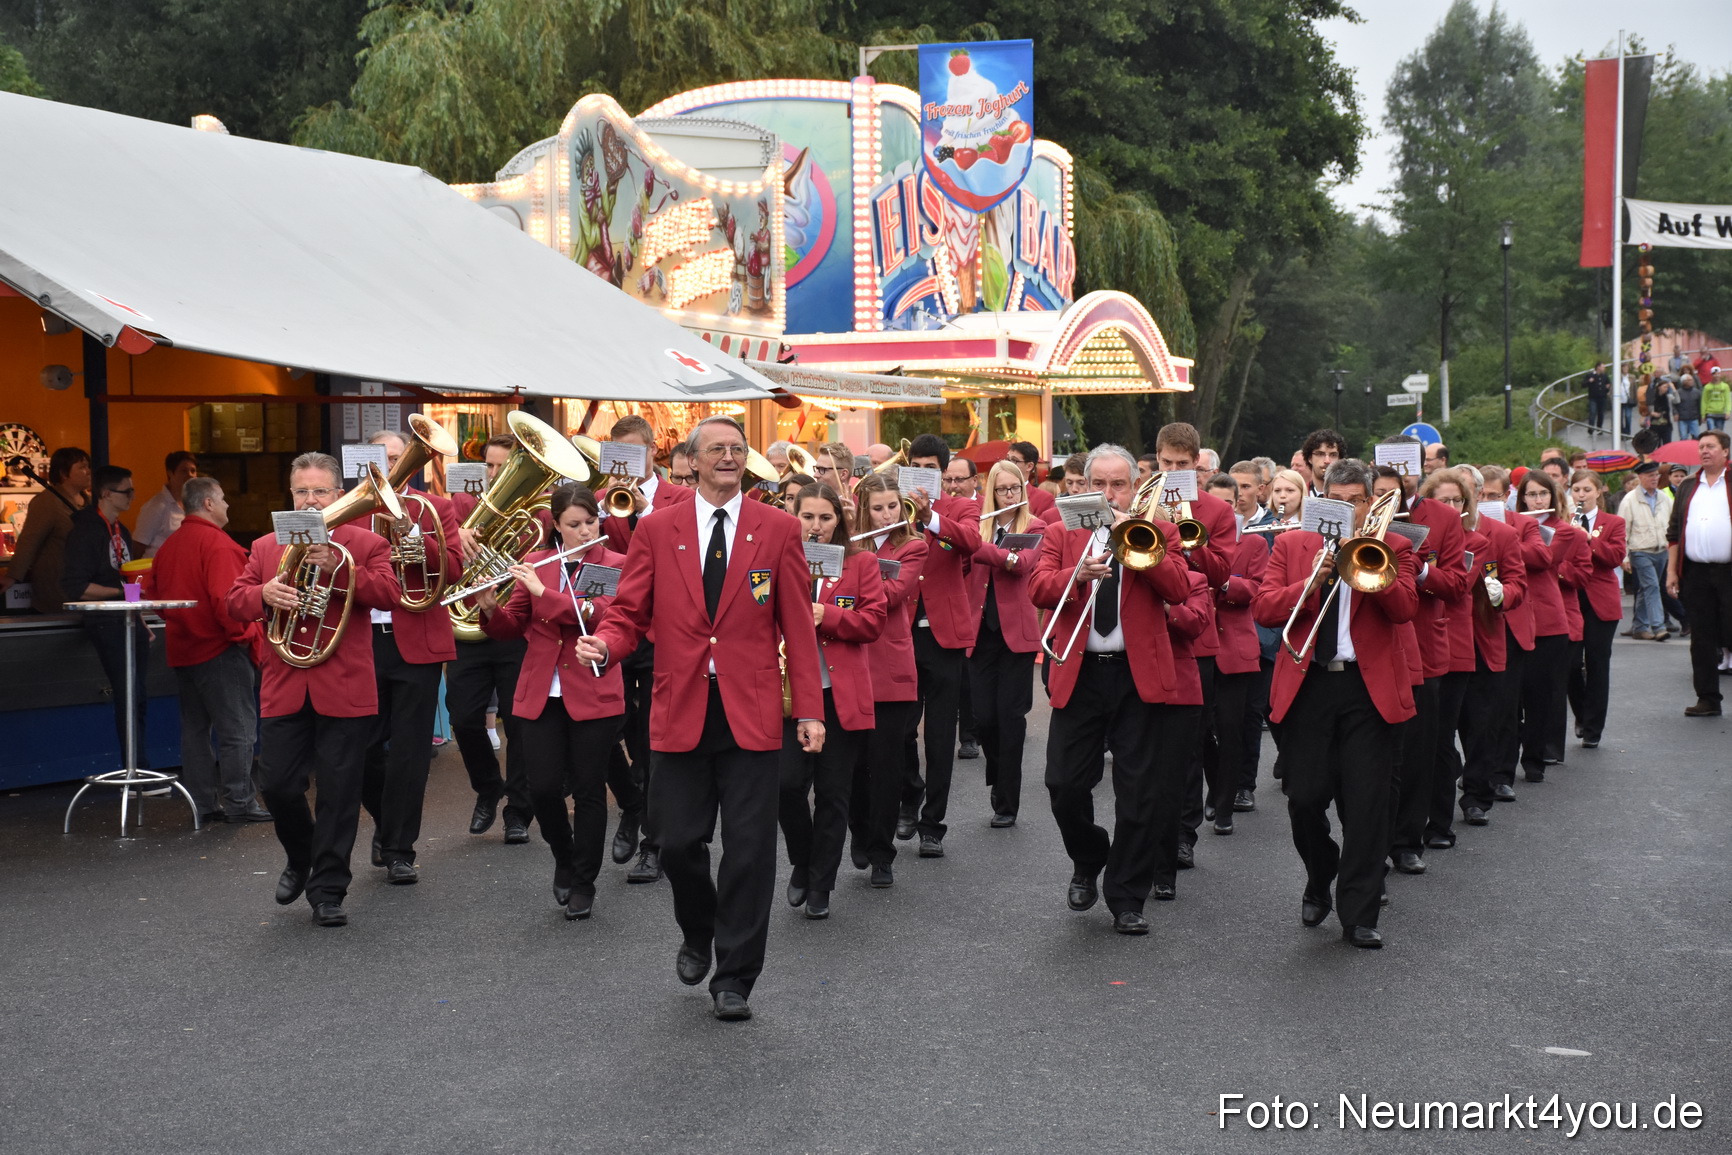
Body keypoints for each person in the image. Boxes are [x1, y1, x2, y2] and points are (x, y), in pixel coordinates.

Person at [574, 415, 824, 1022]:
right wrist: (607, 645)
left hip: (753, 713)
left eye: (738, 450)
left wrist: (810, 710)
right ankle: (698, 926)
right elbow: (629, 612)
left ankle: (735, 976)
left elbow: (796, 622)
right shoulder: (657, 529)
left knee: (749, 851)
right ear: (690, 460)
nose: (729, 458)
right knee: (682, 845)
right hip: (681, 707)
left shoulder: (780, 528)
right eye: (717, 449)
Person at [1252, 460, 1420, 949]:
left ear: (1369, 503)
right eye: (1334, 499)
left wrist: (1370, 564)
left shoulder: (1397, 545)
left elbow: (1406, 608)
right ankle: (1319, 871)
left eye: (1354, 501)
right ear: (1317, 499)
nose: (1344, 509)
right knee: (1304, 798)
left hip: (1368, 691)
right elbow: (1264, 609)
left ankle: (1358, 912)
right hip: (1309, 685)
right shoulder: (1290, 544)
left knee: (1367, 804)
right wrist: (1310, 583)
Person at [227, 452, 399, 927]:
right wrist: (262, 594)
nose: (310, 500)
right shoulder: (265, 546)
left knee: (340, 793)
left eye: (319, 491)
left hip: (344, 685)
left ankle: (327, 889)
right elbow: (234, 602)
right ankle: (301, 856)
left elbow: (388, 594)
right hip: (285, 684)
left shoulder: (363, 543)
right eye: (301, 491)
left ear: (338, 495)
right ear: (291, 495)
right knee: (278, 785)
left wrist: (338, 571)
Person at [1030, 444, 1193, 935]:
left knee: (1139, 793)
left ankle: (1127, 896)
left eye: (1117, 484)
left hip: (1136, 674)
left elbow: (1181, 591)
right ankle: (1090, 855)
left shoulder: (1158, 531)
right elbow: (1038, 588)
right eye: (1097, 484)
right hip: (1080, 674)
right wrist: (1075, 574)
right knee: (1063, 785)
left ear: (1134, 485)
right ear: (1081, 485)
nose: (1106, 493)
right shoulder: (1062, 531)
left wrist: (1135, 546)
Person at [476, 483, 627, 920]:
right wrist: (489, 609)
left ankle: (584, 881)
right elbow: (512, 627)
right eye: (574, 525)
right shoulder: (538, 564)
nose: (584, 531)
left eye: (590, 522)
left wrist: (545, 595)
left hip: (593, 689)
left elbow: (598, 614)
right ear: (556, 527)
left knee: (589, 791)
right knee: (542, 789)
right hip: (542, 690)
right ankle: (565, 856)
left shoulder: (615, 562)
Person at [359, 428, 463, 884]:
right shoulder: (347, 508)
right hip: (360, 641)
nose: (390, 467)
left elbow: (456, 569)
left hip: (415, 638)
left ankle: (401, 847)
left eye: (399, 458)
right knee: (358, 748)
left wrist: (419, 539)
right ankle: (387, 821)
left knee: (410, 751)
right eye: (381, 458)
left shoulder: (436, 508)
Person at [779, 482, 886, 920]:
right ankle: (803, 863)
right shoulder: (779, 561)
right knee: (785, 787)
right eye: (808, 517)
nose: (817, 527)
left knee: (833, 794)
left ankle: (821, 883)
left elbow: (874, 621)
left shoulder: (861, 563)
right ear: (795, 518)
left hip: (839, 696)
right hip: (787, 695)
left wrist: (832, 615)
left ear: (838, 521)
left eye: (826, 518)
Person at [597, 414, 694, 883]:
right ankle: (633, 805)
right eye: (616, 458)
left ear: (652, 452)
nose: (624, 467)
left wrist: (642, 513)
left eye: (632, 456)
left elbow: (683, 553)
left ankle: (653, 843)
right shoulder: (600, 502)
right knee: (610, 728)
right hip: (618, 626)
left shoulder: (682, 498)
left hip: (664, 631)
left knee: (655, 737)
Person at [149, 476, 269, 822]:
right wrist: (245, 637)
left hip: (183, 648)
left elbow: (155, 597)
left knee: (195, 731)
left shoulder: (170, 545)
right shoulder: (219, 545)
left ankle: (202, 802)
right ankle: (240, 801)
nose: (228, 504)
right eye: (223, 498)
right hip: (221, 649)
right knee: (238, 729)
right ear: (208, 504)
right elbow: (230, 603)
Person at [1377, 437, 1467, 877]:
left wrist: (1419, 566)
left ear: (1419, 468)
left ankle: (1408, 840)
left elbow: (1457, 584)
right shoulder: (1363, 509)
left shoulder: (1444, 517)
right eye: (1389, 464)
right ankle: (1374, 837)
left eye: (1406, 465)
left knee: (1420, 750)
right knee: (1377, 753)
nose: (1399, 471)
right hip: (1374, 643)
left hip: (1425, 647)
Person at [1150, 422, 1237, 869]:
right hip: (1144, 633)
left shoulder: (1217, 512)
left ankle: (1183, 833)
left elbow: (1221, 574)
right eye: (1166, 463)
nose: (1173, 470)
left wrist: (1186, 527)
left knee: (1189, 743)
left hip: (1194, 639)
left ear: (1198, 466)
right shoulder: (1140, 501)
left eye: (1182, 465)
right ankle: (1151, 827)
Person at [448, 434, 538, 847]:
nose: (496, 475)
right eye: (491, 467)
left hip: (514, 629)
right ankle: (488, 787)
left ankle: (518, 809)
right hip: (469, 629)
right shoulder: (458, 510)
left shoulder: (537, 515)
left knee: (519, 723)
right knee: (464, 718)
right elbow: (436, 551)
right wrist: (456, 539)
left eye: (505, 467)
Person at [897, 432, 983, 857]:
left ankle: (934, 823)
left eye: (931, 469)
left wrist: (930, 516)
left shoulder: (961, 507)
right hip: (901, 632)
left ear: (944, 474)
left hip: (944, 633)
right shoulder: (893, 505)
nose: (923, 474)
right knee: (901, 728)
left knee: (939, 733)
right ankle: (910, 797)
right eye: (917, 466)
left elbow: (971, 542)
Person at [848, 472, 928, 888]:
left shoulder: (912, 546)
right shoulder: (849, 546)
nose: (887, 514)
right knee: (854, 765)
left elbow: (894, 595)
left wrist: (857, 574)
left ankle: (882, 853)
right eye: (877, 508)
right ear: (864, 509)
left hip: (892, 667)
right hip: (850, 664)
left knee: (886, 764)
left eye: (892, 506)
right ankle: (860, 832)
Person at [968, 460, 1047, 827]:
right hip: (980, 634)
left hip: (1016, 635)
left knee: (1010, 718)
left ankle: (1007, 800)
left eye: (1015, 488)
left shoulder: (1035, 526)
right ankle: (997, 777)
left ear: (1023, 488)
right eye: (1002, 489)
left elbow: (1021, 563)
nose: (1010, 495)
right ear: (992, 492)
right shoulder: (979, 527)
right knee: (984, 718)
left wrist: (978, 548)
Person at [61, 465, 151, 765]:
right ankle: (135, 768)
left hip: (127, 619)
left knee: (138, 696)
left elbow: (126, 582)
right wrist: (119, 595)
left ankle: (139, 765)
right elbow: (75, 587)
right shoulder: (86, 531)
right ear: (106, 494)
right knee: (128, 695)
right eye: (127, 492)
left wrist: (139, 617)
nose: (132, 497)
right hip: (106, 621)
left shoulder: (121, 530)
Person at [1455, 470, 1525, 829]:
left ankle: (1477, 795)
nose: (1459, 502)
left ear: (1481, 495)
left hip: (1483, 637)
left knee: (1482, 723)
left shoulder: (1502, 534)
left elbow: (1517, 584)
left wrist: (1503, 595)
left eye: (1466, 494)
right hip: (1446, 641)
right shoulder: (1435, 532)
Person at [1201, 472, 1266, 836]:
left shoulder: (1253, 543)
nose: (1225, 509)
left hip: (1234, 647)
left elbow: (1256, 588)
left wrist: (1224, 581)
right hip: (1197, 641)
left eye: (1231, 502)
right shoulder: (1189, 539)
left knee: (1230, 727)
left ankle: (1224, 803)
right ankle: (1217, 785)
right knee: (1201, 729)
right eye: (1218, 503)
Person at [1415, 467, 1476, 850]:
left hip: (1452, 643)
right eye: (1443, 500)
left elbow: (1458, 585)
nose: (1451, 507)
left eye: (1457, 501)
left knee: (1440, 740)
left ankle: (1440, 823)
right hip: (1419, 640)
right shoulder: (1411, 522)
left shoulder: (1471, 535)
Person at [1665, 429, 1732, 717]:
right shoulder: (1688, 486)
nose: (1704, 451)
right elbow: (1674, 532)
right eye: (1701, 447)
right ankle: (1708, 699)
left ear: (1725, 451)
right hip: (1695, 573)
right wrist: (1672, 572)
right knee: (1701, 638)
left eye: (1711, 447)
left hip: (1729, 572)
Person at [1567, 470, 1625, 746]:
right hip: (1569, 597)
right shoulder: (1564, 522)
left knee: (1598, 664)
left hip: (1601, 599)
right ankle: (1582, 714)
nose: (1581, 495)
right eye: (1576, 489)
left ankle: (1593, 730)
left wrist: (1588, 539)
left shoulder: (1613, 522)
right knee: (1569, 664)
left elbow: (1615, 557)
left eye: (1587, 490)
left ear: (1599, 491)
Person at [3, 446, 90, 613]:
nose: (88, 471)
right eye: (82, 467)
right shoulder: (47, 502)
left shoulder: (90, 502)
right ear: (64, 473)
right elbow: (29, 541)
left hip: (87, 588)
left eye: (88, 466)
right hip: (58, 589)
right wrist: (13, 576)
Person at [942, 455, 982, 759]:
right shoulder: (935, 505)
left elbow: (972, 545)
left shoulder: (977, 507)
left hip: (975, 594)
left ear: (974, 480)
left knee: (969, 674)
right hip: (949, 597)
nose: (953, 486)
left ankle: (970, 734)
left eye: (959, 480)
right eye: (948, 480)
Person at [1619, 461, 1674, 639]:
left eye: (1656, 475)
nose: (1655, 478)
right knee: (1651, 587)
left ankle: (1639, 627)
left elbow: (1672, 522)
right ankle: (1659, 627)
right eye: (1651, 475)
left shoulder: (1664, 498)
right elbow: (1622, 529)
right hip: (1640, 550)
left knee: (1646, 589)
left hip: (1661, 550)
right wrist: (1624, 557)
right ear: (1641, 477)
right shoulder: (1629, 500)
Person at [132, 450, 198, 558]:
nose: (190, 475)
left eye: (193, 471)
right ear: (170, 473)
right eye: (184, 471)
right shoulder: (156, 507)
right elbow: (137, 547)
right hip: (157, 571)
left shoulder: (194, 505)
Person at [1004, 440, 1057, 520]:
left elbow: (1043, 529)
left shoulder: (1044, 499)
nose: (1008, 464)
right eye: (1007, 459)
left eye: (1014, 460)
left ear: (1029, 466)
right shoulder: (993, 493)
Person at [1300, 430, 1344, 497]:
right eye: (1320, 454)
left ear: (1340, 459)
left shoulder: (1348, 496)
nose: (1327, 461)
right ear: (1310, 458)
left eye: (1333, 455)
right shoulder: (1299, 495)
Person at [1674, 371, 1704, 442]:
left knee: (1696, 436)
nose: (1691, 381)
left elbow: (1700, 405)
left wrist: (1701, 416)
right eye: (1689, 380)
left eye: (1692, 380)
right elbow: (1674, 405)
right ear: (1684, 382)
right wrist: (1675, 413)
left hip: (1694, 418)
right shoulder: (1678, 392)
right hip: (1682, 418)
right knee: (1683, 437)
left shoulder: (1697, 392)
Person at [1584, 362, 1611, 433]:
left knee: (1601, 413)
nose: (1604, 368)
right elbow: (1583, 384)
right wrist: (1589, 381)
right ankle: (1591, 427)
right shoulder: (1590, 375)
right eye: (1603, 367)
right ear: (1598, 367)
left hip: (1602, 397)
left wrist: (1607, 387)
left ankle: (1599, 428)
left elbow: (1608, 383)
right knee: (1592, 412)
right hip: (1593, 397)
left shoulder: (1604, 376)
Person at [1702, 367, 1731, 433]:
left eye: (1718, 374)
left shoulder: (1725, 386)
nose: (1716, 376)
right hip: (1710, 412)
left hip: (1720, 412)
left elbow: (1727, 400)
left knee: (1719, 433)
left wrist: (1728, 411)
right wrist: (1703, 414)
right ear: (1711, 375)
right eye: (1714, 374)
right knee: (1711, 432)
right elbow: (1704, 401)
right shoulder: (1707, 387)